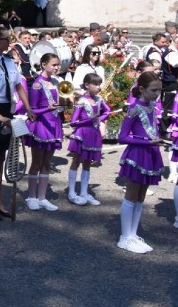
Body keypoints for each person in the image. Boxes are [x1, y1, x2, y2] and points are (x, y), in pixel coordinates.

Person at [0, 26, 36, 220]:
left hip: (7, 110)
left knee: (1, 155)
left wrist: (27, 108)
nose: (8, 42)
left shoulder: (9, 61)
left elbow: (18, 86)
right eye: (4, 39)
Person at [116, 71, 163, 254]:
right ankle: (124, 237)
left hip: (150, 153)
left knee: (141, 196)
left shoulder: (152, 106)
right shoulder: (134, 108)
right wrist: (146, 142)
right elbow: (122, 137)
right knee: (132, 194)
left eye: (159, 91)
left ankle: (133, 235)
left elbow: (151, 129)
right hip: (137, 154)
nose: (157, 94)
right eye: (153, 90)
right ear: (142, 89)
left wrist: (156, 140)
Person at [23, 53, 63, 212]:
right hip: (41, 125)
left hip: (54, 124)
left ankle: (42, 197)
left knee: (47, 163)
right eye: (53, 64)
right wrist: (48, 108)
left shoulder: (55, 82)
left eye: (58, 64)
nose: (57, 67)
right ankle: (31, 197)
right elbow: (32, 110)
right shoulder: (37, 84)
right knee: (37, 162)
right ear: (44, 64)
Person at [67, 73, 110, 205]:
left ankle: (84, 192)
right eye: (96, 84)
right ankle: (71, 192)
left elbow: (107, 111)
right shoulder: (81, 101)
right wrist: (89, 120)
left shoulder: (99, 99)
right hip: (82, 134)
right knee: (76, 161)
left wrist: (99, 119)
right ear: (87, 85)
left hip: (94, 134)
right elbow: (73, 122)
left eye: (99, 84)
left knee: (87, 163)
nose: (99, 87)